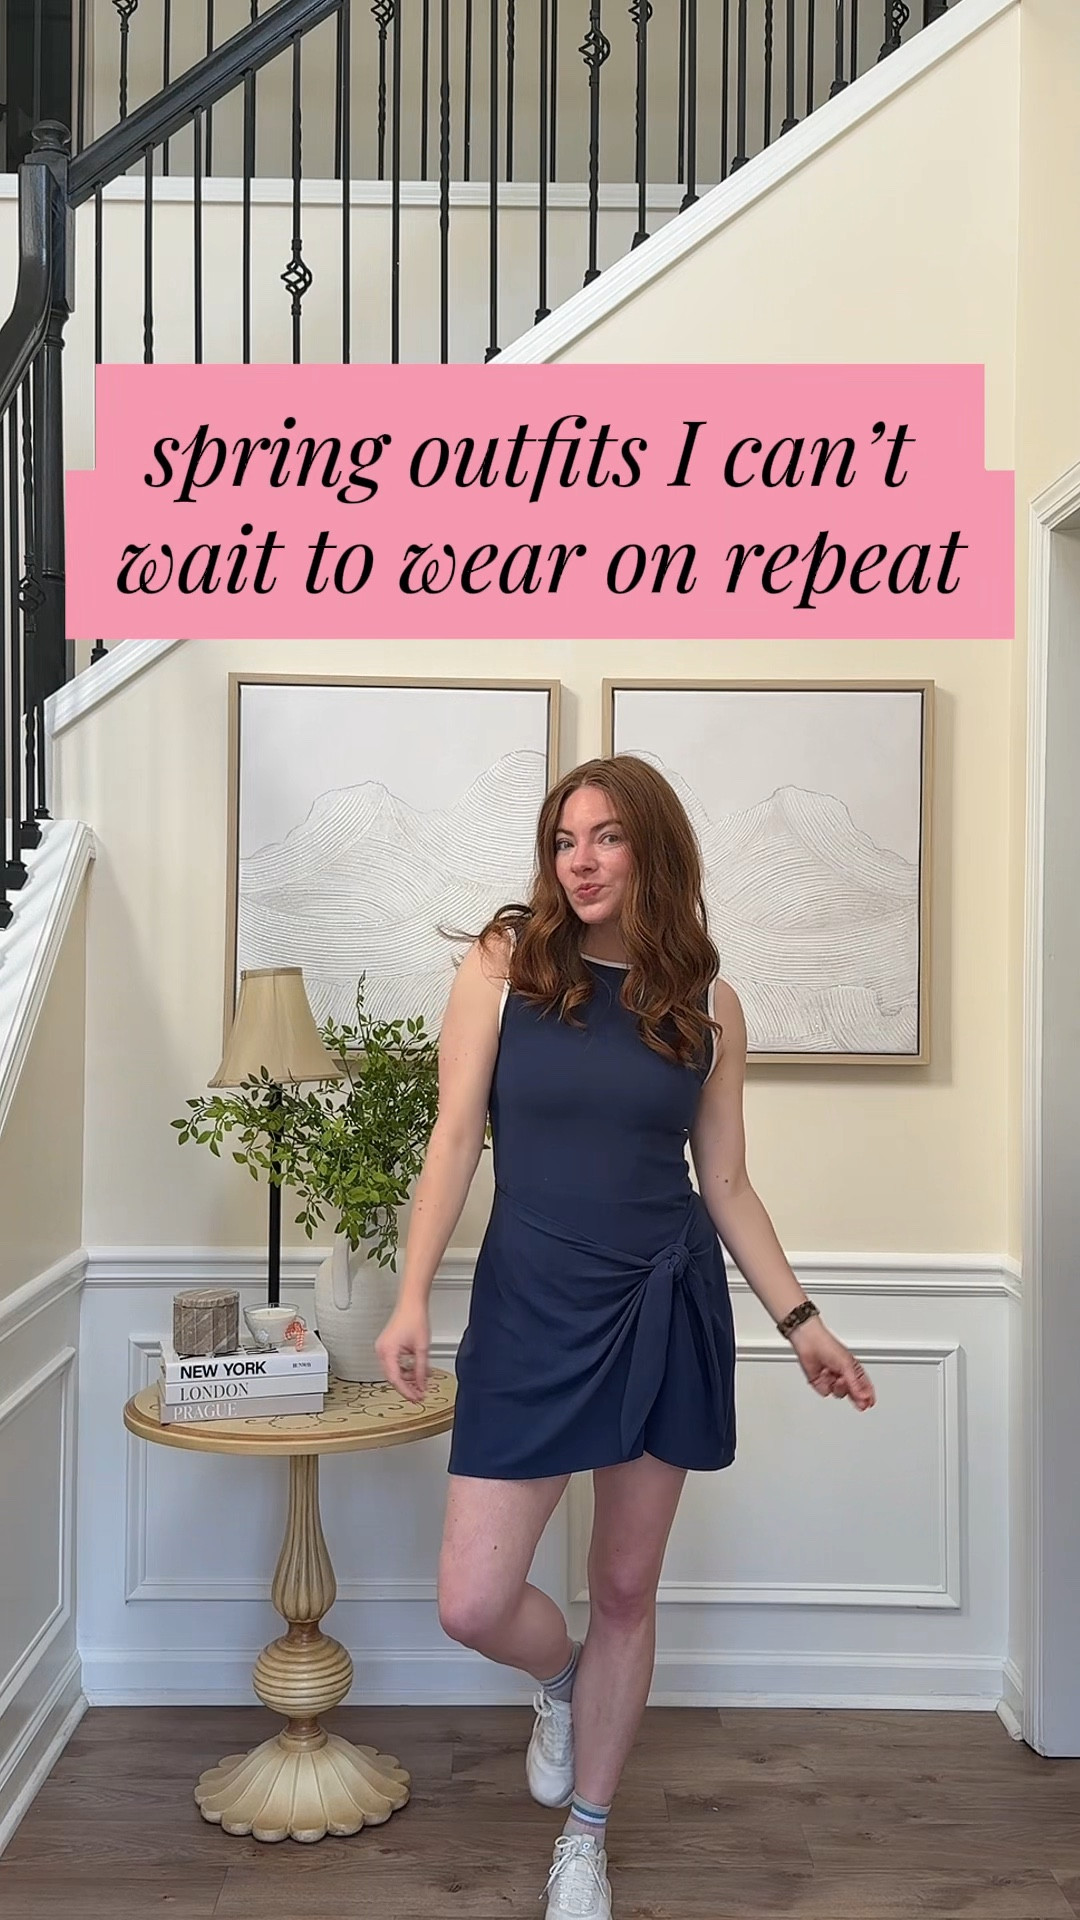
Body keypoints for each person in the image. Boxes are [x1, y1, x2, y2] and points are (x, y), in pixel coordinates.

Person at [376, 755, 876, 1919]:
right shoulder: (506, 965)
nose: (581, 861)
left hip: (663, 1300)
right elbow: (454, 1138)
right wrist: (411, 1297)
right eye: (564, 840)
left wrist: (802, 1322)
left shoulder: (706, 1002)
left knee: (624, 1587)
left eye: (605, 837)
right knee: (472, 1599)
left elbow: (728, 1183)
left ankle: (586, 1839)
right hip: (529, 1307)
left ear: (653, 847)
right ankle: (559, 1679)